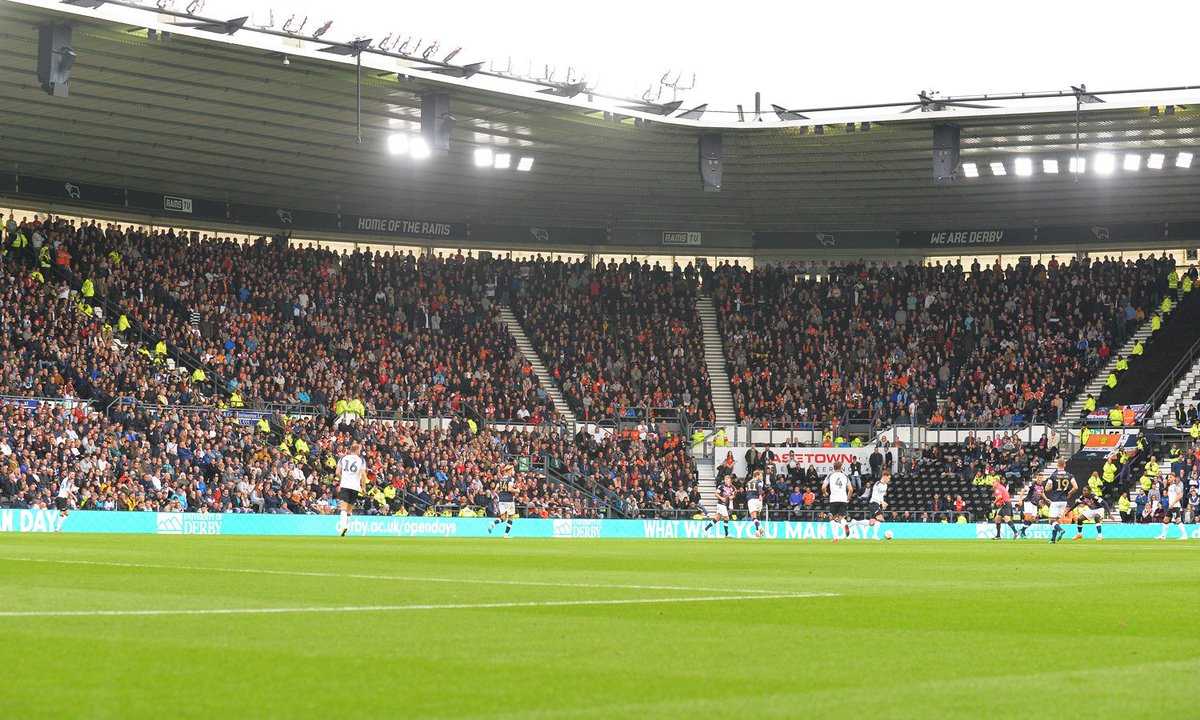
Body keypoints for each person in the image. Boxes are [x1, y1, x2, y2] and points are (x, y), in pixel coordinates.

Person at [335, 442, 367, 537]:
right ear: (357, 450)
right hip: (355, 487)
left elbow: (337, 472)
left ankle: (343, 526)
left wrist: (343, 478)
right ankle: (346, 528)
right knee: (349, 510)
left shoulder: (343, 458)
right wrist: (363, 487)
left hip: (345, 485)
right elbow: (363, 475)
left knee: (343, 508)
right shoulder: (361, 460)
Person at [1047, 458, 1078, 544]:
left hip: (1055, 500)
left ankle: (1060, 530)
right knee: (1056, 520)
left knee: (1051, 520)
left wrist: (1050, 488)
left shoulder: (1053, 475)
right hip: (1064, 501)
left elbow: (1047, 487)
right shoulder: (1070, 475)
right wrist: (1070, 493)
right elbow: (1076, 487)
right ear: (1065, 465)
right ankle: (1053, 539)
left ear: (1057, 465)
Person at [821, 460, 852, 541]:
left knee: (832, 518)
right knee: (841, 518)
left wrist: (825, 493)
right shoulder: (845, 476)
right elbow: (851, 490)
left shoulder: (830, 476)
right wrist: (848, 498)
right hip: (843, 499)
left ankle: (835, 537)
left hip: (834, 499)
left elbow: (823, 487)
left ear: (833, 468)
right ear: (841, 468)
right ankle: (845, 524)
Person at [488, 464, 519, 538]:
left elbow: (495, 490)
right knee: (511, 517)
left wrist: (501, 495)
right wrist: (517, 490)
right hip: (509, 500)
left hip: (501, 501)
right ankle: (506, 534)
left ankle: (493, 523)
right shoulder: (510, 479)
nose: (514, 471)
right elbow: (510, 489)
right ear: (510, 471)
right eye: (513, 470)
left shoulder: (500, 479)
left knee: (503, 518)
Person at [1157, 475, 1187, 541]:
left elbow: (1180, 495)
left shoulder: (1176, 487)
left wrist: (1173, 503)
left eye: (1170, 477)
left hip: (1175, 506)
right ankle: (1163, 535)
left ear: (1174, 478)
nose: (1169, 479)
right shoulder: (1169, 487)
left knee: (1178, 520)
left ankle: (1184, 535)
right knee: (1165, 520)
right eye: (1168, 478)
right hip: (1171, 507)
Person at [864, 469, 890, 540]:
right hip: (873, 503)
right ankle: (875, 535)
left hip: (878, 504)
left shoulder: (885, 486)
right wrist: (882, 502)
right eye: (888, 478)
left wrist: (882, 503)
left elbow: (881, 495)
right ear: (884, 476)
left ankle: (855, 522)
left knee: (872, 522)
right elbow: (874, 496)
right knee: (880, 518)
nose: (889, 480)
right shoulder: (877, 484)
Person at [745, 469, 765, 538]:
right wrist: (760, 495)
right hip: (758, 500)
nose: (762, 477)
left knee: (753, 517)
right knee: (757, 515)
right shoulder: (759, 481)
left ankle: (759, 527)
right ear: (757, 475)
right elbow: (760, 488)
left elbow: (747, 491)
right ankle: (757, 532)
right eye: (761, 475)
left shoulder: (748, 482)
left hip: (751, 499)